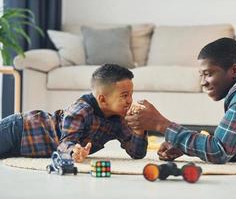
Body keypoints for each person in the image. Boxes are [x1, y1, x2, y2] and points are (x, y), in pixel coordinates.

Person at [125, 38, 236, 167]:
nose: (203, 82)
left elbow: (219, 151)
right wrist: (188, 147)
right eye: (201, 75)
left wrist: (160, 124)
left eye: (208, 74)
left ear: (234, 70)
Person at [0, 64, 148, 162]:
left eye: (131, 94)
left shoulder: (119, 120)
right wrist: (73, 152)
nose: (130, 100)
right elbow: (65, 144)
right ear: (103, 100)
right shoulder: (81, 110)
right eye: (124, 95)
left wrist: (139, 130)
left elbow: (137, 154)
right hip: (20, 129)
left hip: (25, 148)